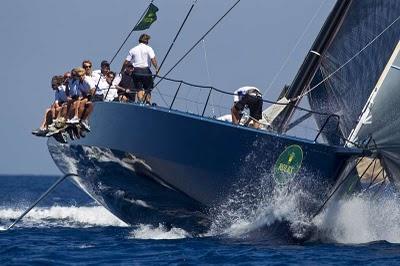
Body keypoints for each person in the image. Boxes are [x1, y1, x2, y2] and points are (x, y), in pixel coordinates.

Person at [122, 33, 159, 104]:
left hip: (136, 71)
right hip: (146, 71)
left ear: (139, 41)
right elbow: (153, 59)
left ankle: (140, 101)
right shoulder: (149, 48)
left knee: (138, 89)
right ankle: (148, 102)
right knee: (148, 89)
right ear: (147, 41)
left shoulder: (133, 49)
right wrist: (157, 68)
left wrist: (122, 70)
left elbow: (126, 62)